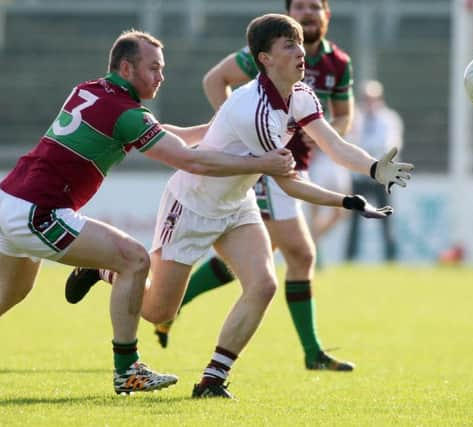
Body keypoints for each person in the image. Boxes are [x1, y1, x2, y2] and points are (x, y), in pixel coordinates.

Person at [0, 29, 296, 394]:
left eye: (162, 68)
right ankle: (128, 370)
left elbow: (162, 133)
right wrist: (262, 162)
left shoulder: (91, 90)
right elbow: (190, 162)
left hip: (8, 199)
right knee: (134, 260)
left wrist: (217, 130)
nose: (161, 76)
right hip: (40, 212)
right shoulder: (127, 113)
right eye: (153, 68)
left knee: (7, 291)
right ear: (126, 69)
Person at [66, 14, 413, 399]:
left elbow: (334, 145)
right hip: (192, 204)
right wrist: (348, 201)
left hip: (237, 203)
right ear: (264, 58)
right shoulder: (255, 111)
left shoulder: (299, 95)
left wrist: (376, 167)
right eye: (290, 46)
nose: (302, 53)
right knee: (158, 312)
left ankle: (213, 379)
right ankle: (102, 270)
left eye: (300, 44)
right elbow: (289, 183)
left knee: (263, 285)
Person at [151, 0, 357, 371]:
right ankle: (311, 352)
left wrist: (326, 136)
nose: (308, 13)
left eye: (315, 6)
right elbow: (215, 79)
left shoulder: (336, 63)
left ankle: (213, 362)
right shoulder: (261, 56)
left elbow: (343, 120)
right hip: (263, 170)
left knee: (267, 265)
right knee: (300, 254)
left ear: (327, 14)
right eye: (300, 7)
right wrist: (231, 129)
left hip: (286, 167)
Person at [345, 80, 403, 262]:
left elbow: (391, 145)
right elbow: (350, 143)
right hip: (360, 175)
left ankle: (391, 256)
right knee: (354, 220)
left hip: (380, 176)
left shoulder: (389, 119)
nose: (370, 102)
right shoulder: (356, 119)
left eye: (373, 98)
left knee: (385, 217)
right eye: (366, 99)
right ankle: (350, 257)